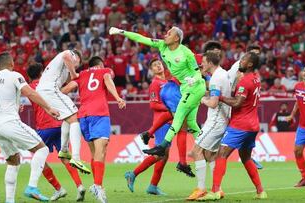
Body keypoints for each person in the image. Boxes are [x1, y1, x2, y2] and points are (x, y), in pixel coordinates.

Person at [109, 26, 206, 156]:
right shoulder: (162, 46)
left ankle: (162, 145)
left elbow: (197, 73)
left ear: (176, 38)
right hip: (185, 87)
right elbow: (141, 38)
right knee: (191, 123)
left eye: (169, 33)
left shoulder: (186, 53)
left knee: (179, 116)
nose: (165, 35)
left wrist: (193, 80)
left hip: (195, 86)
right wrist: (121, 32)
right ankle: (206, 148)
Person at [0, 52, 59, 202]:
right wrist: (48, 108)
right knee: (42, 149)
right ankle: (32, 186)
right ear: (11, 64)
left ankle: (9, 200)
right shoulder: (14, 75)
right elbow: (29, 93)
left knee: (13, 161)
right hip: (9, 122)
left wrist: (11, 104)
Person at [202, 52, 267, 201]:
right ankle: (261, 191)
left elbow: (237, 102)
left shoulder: (245, 81)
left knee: (221, 154)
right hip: (252, 125)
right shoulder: (256, 79)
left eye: (243, 59)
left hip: (240, 125)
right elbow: (242, 96)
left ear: (250, 64)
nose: (240, 61)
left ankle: (215, 190)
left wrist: (220, 97)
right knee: (246, 158)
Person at [62, 56, 126, 202]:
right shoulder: (105, 70)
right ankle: (97, 186)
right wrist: (117, 98)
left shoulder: (81, 75)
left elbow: (66, 90)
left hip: (83, 115)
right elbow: (108, 80)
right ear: (100, 64)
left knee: (96, 153)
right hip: (99, 114)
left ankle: (98, 187)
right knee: (101, 151)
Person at [27, 63, 85, 201]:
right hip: (60, 123)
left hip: (44, 126)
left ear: (29, 76)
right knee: (65, 157)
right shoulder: (50, 83)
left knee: (37, 158)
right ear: (42, 72)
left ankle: (58, 189)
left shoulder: (29, 88)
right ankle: (79, 186)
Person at [36, 49, 90, 174]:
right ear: (77, 58)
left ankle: (64, 150)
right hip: (49, 90)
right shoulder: (69, 54)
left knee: (68, 117)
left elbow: (63, 90)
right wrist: (74, 73)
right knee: (74, 118)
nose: (76, 65)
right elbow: (67, 56)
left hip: (45, 92)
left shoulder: (61, 69)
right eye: (78, 63)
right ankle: (76, 157)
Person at [187, 51, 231, 200]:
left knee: (195, 151)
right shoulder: (223, 73)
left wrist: (202, 100)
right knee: (210, 154)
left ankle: (201, 189)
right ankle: (218, 189)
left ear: (210, 63)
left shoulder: (216, 79)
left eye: (204, 62)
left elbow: (212, 102)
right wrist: (202, 91)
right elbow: (215, 94)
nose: (202, 64)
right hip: (222, 120)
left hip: (216, 121)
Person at [124, 58, 172, 195]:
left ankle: (153, 186)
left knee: (164, 155)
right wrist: (169, 108)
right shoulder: (155, 83)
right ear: (151, 70)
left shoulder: (167, 82)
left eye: (159, 64)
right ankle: (133, 174)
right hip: (161, 123)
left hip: (169, 122)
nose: (158, 66)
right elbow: (153, 104)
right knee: (159, 154)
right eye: (154, 66)